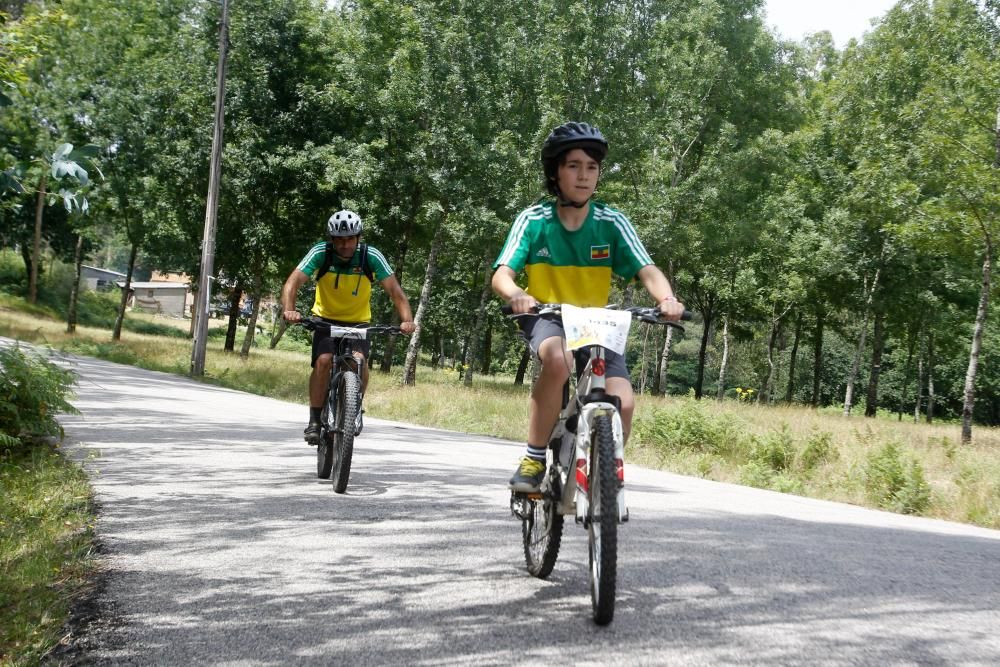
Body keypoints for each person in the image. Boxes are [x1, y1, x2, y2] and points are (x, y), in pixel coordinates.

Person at [491, 122, 686, 492]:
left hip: (597, 325)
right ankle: (534, 458)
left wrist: (667, 299)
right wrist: (517, 293)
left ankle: (601, 484)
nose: (584, 176)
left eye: (592, 168)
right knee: (559, 360)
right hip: (546, 316)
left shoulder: (611, 222)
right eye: (573, 166)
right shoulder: (534, 221)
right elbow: (502, 275)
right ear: (555, 173)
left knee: (623, 403)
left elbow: (647, 269)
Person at [282, 209, 416, 443]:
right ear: (332, 240)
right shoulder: (321, 253)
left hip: (357, 323)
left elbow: (395, 291)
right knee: (323, 361)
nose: (345, 245)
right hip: (324, 320)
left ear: (358, 238)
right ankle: (314, 420)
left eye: (350, 239)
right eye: (340, 240)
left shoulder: (370, 256)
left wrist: (407, 320)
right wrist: (290, 309)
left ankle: (353, 407)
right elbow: (292, 283)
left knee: (358, 362)